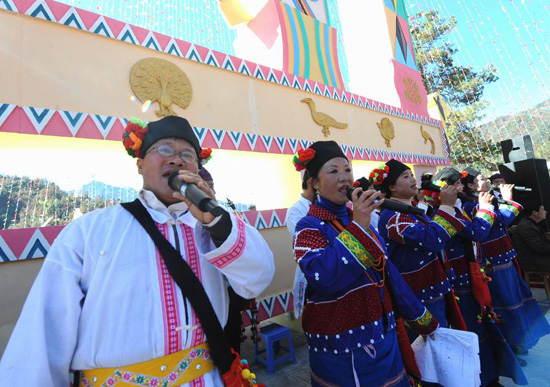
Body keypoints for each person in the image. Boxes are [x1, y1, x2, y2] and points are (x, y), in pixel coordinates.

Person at [0, 116, 275, 386]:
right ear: (140, 164)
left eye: (188, 154)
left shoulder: (219, 224)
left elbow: (257, 279)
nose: (176, 159)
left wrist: (217, 223)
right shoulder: (89, 231)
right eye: (164, 149)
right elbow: (42, 335)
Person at [292, 142, 439, 386]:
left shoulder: (358, 219)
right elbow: (324, 276)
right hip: (343, 349)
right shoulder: (308, 226)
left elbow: (388, 273)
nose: (344, 178)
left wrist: (422, 318)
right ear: (314, 183)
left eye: (347, 170)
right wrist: (359, 226)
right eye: (333, 171)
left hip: (384, 334)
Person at [426, 168, 527, 386]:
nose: (461, 188)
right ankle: (481, 379)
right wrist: (487, 207)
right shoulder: (445, 214)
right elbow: (479, 232)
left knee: (487, 329)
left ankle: (491, 376)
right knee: (475, 332)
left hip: (474, 278)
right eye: (457, 185)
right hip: (462, 283)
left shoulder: (459, 209)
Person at [461, 167, 550, 360]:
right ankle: (510, 347)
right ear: (470, 185)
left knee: (516, 301)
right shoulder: (471, 206)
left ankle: (519, 342)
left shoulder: (486, 200)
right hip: (494, 265)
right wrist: (507, 200)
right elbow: (501, 221)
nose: (487, 181)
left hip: (505, 260)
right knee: (505, 304)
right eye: (482, 179)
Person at [376, 160, 466, 330]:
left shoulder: (411, 209)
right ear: (392, 188)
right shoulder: (391, 217)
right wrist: (446, 206)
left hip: (436, 286)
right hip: (421, 296)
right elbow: (432, 239)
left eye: (411, 174)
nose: (412, 179)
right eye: (405, 176)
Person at [286, 170, 315, 318]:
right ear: (312, 183)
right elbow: (310, 244)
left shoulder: (334, 207)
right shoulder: (296, 211)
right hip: (313, 279)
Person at [513, 200, 550, 272]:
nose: (546, 212)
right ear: (535, 212)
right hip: (531, 261)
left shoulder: (530, 224)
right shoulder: (527, 227)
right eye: (543, 210)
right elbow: (539, 247)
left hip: (536, 256)